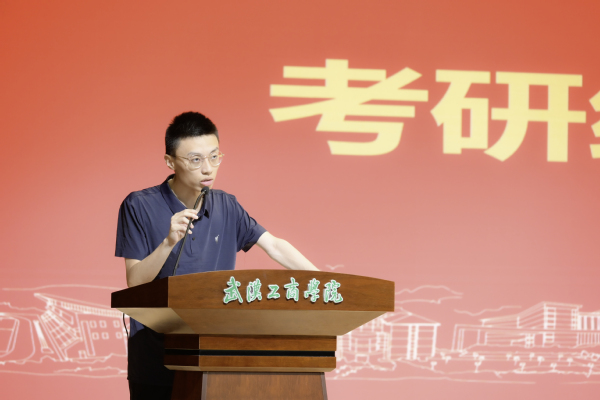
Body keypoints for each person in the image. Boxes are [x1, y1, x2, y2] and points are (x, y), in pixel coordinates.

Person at [115, 111, 318, 400]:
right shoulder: (139, 205)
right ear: (170, 162)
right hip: (156, 359)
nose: (208, 168)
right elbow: (135, 282)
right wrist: (168, 242)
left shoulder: (227, 206)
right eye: (195, 160)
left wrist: (327, 281)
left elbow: (273, 246)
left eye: (214, 157)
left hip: (214, 357)